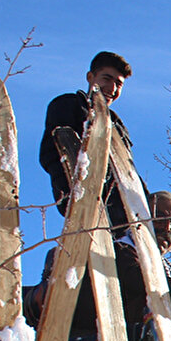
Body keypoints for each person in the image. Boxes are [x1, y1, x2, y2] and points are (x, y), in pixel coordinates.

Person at [39, 51, 141, 229]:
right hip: (84, 202)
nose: (112, 88)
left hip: (122, 215)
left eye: (119, 84)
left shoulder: (117, 126)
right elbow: (52, 154)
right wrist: (71, 194)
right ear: (90, 77)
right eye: (106, 79)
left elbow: (129, 170)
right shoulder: (69, 105)